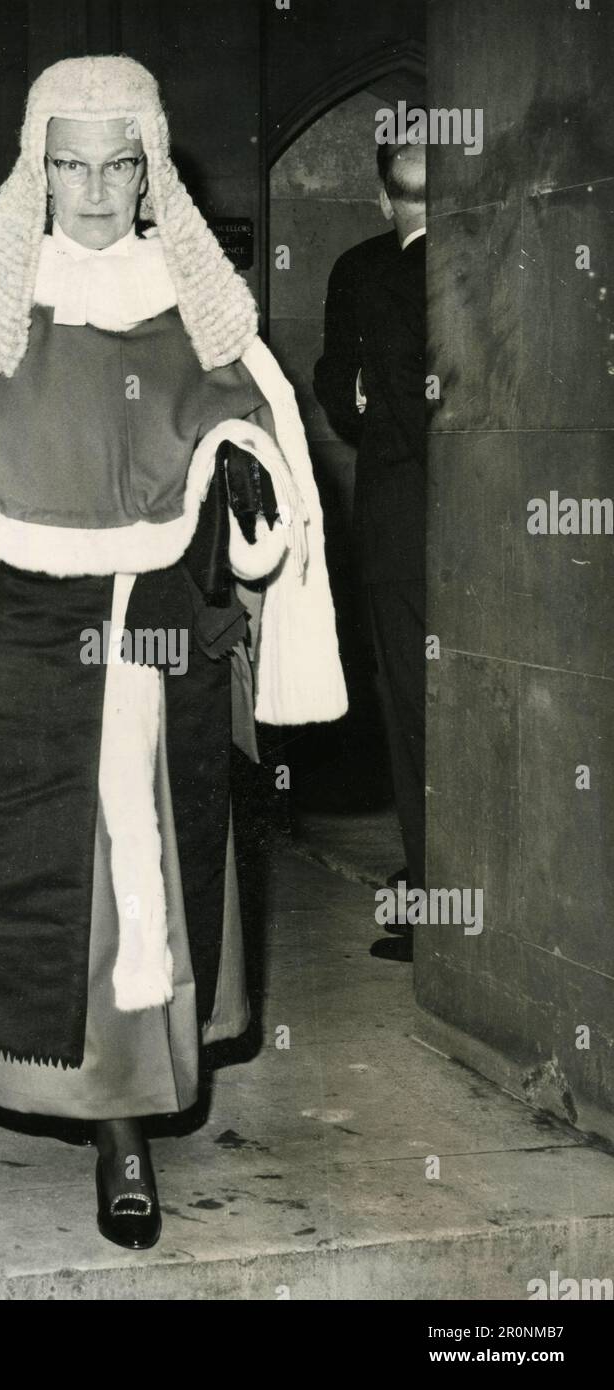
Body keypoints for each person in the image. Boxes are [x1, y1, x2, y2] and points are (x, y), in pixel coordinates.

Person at [0, 55, 347, 1248]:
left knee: (154, 856)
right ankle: (86, 1106)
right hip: (37, 645)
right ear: (37, 173)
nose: (89, 190)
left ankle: (130, 1115)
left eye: (114, 165)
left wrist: (243, 477)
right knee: (59, 858)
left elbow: (261, 449)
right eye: (64, 165)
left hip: (166, 632)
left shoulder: (193, 305)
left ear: (147, 173)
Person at [313, 136, 426, 955]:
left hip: (404, 521)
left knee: (416, 713)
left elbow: (348, 388)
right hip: (429, 520)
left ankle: (437, 898)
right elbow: (337, 382)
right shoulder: (361, 271)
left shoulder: (367, 272)